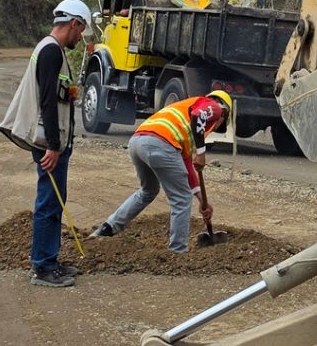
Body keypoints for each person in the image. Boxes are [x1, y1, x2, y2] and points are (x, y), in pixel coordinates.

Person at [0, 0, 92, 288]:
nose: (80, 37)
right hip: (49, 142)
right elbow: (47, 102)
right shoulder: (51, 52)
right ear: (74, 23)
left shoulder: (54, 51)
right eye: (81, 31)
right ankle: (42, 267)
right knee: (49, 203)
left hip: (54, 140)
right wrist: (53, 145)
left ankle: (49, 260)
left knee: (54, 201)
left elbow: (55, 95)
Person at [89, 90, 232, 253]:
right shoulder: (215, 107)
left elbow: (186, 166)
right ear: (223, 112)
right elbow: (199, 116)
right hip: (161, 144)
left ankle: (108, 228)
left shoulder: (184, 115)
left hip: (138, 142)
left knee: (148, 191)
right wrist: (201, 153)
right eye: (220, 124)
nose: (215, 126)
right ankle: (178, 251)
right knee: (181, 197)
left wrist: (202, 200)